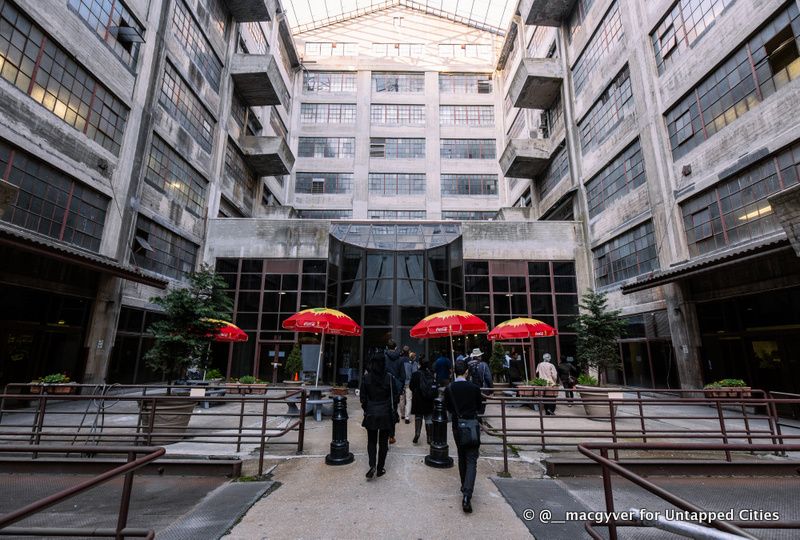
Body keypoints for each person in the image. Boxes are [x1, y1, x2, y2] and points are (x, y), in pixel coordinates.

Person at [444, 359, 485, 513]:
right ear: (467, 372)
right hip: (472, 425)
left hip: (457, 426)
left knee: (462, 456)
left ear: (454, 372)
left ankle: (464, 486)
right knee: (472, 459)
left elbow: (448, 407)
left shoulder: (449, 389)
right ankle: (467, 493)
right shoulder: (474, 388)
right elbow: (480, 406)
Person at [359, 353, 398, 479]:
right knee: (383, 442)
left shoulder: (366, 378)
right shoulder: (389, 378)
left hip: (371, 412)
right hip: (385, 412)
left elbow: (363, 398)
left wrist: (367, 408)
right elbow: (395, 397)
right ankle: (380, 468)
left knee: (371, 440)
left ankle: (372, 465)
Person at [409, 355, 437, 444]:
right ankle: (429, 437)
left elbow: (411, 386)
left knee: (418, 417)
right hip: (428, 399)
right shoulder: (431, 374)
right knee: (428, 418)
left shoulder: (415, 374)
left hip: (418, 399)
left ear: (419, 364)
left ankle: (417, 433)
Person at [384, 339, 405, 444]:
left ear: (387, 348)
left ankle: (384, 433)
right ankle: (391, 435)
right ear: (396, 348)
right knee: (393, 411)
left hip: (384, 388)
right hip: (395, 389)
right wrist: (400, 389)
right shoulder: (400, 360)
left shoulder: (384, 358)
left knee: (384, 410)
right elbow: (403, 376)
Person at [399, 351, 418, 424]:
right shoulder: (413, 364)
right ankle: (407, 417)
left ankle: (402, 414)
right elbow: (415, 373)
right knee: (409, 400)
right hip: (409, 383)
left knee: (402, 399)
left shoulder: (402, 362)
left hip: (402, 382)